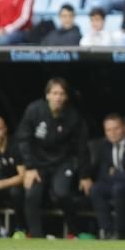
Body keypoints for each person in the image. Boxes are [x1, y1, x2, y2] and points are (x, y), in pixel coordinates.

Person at [16, 78, 92, 238]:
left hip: (62, 163)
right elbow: (23, 139)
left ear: (66, 97)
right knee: (31, 194)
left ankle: (73, 232)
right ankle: (35, 235)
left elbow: (82, 148)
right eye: (54, 93)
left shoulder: (73, 117)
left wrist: (85, 175)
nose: (58, 97)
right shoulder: (34, 110)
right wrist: (29, 167)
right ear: (47, 95)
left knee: (62, 193)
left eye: (61, 94)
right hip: (37, 164)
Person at [89, 113, 125, 240]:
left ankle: (120, 232)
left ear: (124, 128)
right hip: (116, 183)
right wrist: (122, 174)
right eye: (108, 130)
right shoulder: (104, 146)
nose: (113, 133)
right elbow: (103, 174)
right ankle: (106, 230)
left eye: (116, 128)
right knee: (96, 189)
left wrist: (115, 173)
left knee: (119, 189)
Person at [0, 115, 26, 237]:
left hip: (18, 185)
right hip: (2, 186)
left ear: (5, 129)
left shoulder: (15, 146)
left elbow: (23, 176)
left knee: (16, 193)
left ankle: (20, 228)